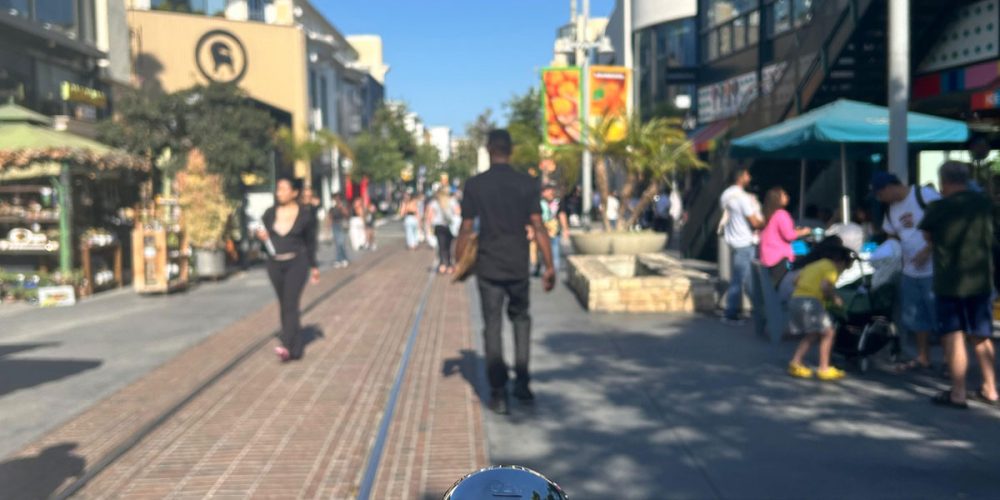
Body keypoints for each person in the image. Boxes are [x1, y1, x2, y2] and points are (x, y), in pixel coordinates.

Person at [455, 129, 555, 415]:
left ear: (489, 150)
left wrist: (458, 260)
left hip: (488, 266)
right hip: (518, 265)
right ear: (510, 151)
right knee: (521, 320)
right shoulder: (526, 184)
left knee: (492, 327)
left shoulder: (475, 185)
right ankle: (522, 383)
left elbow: (465, 228)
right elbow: (538, 226)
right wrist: (549, 265)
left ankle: (498, 393)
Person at [920, 162, 997, 409]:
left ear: (943, 181)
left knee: (954, 335)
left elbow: (927, 235)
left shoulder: (939, 207)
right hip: (981, 279)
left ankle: (959, 392)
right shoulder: (985, 204)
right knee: (981, 335)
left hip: (949, 281)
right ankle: (990, 388)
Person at [872, 172, 941, 373]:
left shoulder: (924, 195)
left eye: (880, 194)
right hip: (909, 270)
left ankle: (949, 361)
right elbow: (892, 235)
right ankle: (923, 357)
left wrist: (928, 250)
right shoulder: (891, 210)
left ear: (889, 187)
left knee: (941, 317)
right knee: (917, 318)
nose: (880, 199)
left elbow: (945, 225)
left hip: (934, 268)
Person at [257, 177, 320, 362]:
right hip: (275, 264)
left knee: (291, 303)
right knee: (284, 303)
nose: (280, 193)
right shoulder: (269, 213)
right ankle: (295, 346)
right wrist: (261, 238)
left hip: (297, 263)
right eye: (278, 189)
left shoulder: (305, 215)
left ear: (294, 192)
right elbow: (263, 243)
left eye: (284, 189)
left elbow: (310, 242)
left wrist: (314, 265)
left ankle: (287, 346)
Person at [786, 243, 854, 381]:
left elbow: (795, 280)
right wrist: (835, 299)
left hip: (796, 298)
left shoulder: (814, 265)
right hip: (811, 301)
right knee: (829, 332)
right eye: (844, 269)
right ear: (841, 262)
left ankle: (795, 363)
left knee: (813, 333)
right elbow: (825, 287)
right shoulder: (831, 268)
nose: (841, 272)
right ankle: (824, 368)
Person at [719, 167, 764, 325]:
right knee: (741, 279)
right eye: (747, 175)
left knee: (746, 279)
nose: (749, 177)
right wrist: (765, 222)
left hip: (733, 240)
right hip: (745, 241)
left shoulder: (725, 195)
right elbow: (754, 222)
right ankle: (732, 313)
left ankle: (759, 309)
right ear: (741, 177)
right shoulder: (743, 198)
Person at [759, 187, 811, 286]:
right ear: (777, 198)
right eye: (784, 195)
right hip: (779, 258)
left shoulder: (769, 215)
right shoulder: (782, 214)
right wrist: (804, 231)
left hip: (767, 257)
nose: (787, 197)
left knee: (770, 286)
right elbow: (789, 236)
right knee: (780, 285)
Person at [426, 186, 461, 274]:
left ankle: (442, 265)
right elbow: (458, 212)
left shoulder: (434, 202)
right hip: (450, 226)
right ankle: (449, 265)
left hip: (439, 227)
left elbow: (430, 216)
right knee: (449, 247)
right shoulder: (452, 201)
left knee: (441, 247)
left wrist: (429, 228)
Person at [537, 184, 570, 274]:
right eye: (542, 191)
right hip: (542, 230)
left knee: (554, 248)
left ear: (551, 191)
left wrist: (565, 229)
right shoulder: (540, 202)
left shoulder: (558, 202)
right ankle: (543, 267)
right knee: (542, 250)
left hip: (554, 230)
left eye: (545, 191)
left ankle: (554, 269)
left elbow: (562, 215)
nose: (543, 193)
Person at [329, 193, 350, 268]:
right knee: (337, 243)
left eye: (337, 198)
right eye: (335, 198)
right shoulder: (332, 208)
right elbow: (330, 217)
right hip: (334, 226)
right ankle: (339, 259)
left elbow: (346, 214)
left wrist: (341, 207)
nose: (336, 200)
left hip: (341, 225)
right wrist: (328, 229)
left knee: (341, 243)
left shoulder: (342, 206)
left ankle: (343, 258)